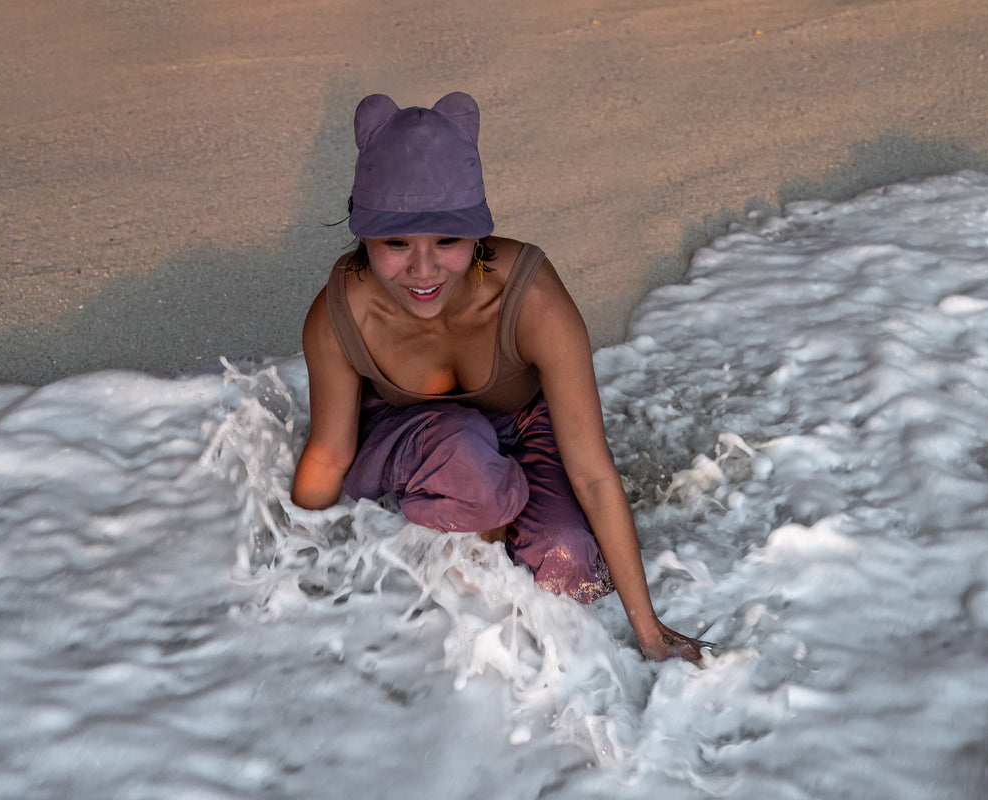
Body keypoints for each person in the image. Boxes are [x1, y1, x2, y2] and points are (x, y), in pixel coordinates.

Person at [291, 92, 707, 662]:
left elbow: (591, 472)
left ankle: (488, 539)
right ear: (363, 232)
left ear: (477, 232)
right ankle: (473, 524)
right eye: (396, 243)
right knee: (468, 460)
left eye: (447, 240)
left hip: (522, 427)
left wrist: (650, 631)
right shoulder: (340, 314)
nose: (423, 269)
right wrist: (301, 572)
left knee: (572, 570)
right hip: (410, 438)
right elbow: (330, 454)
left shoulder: (530, 296)